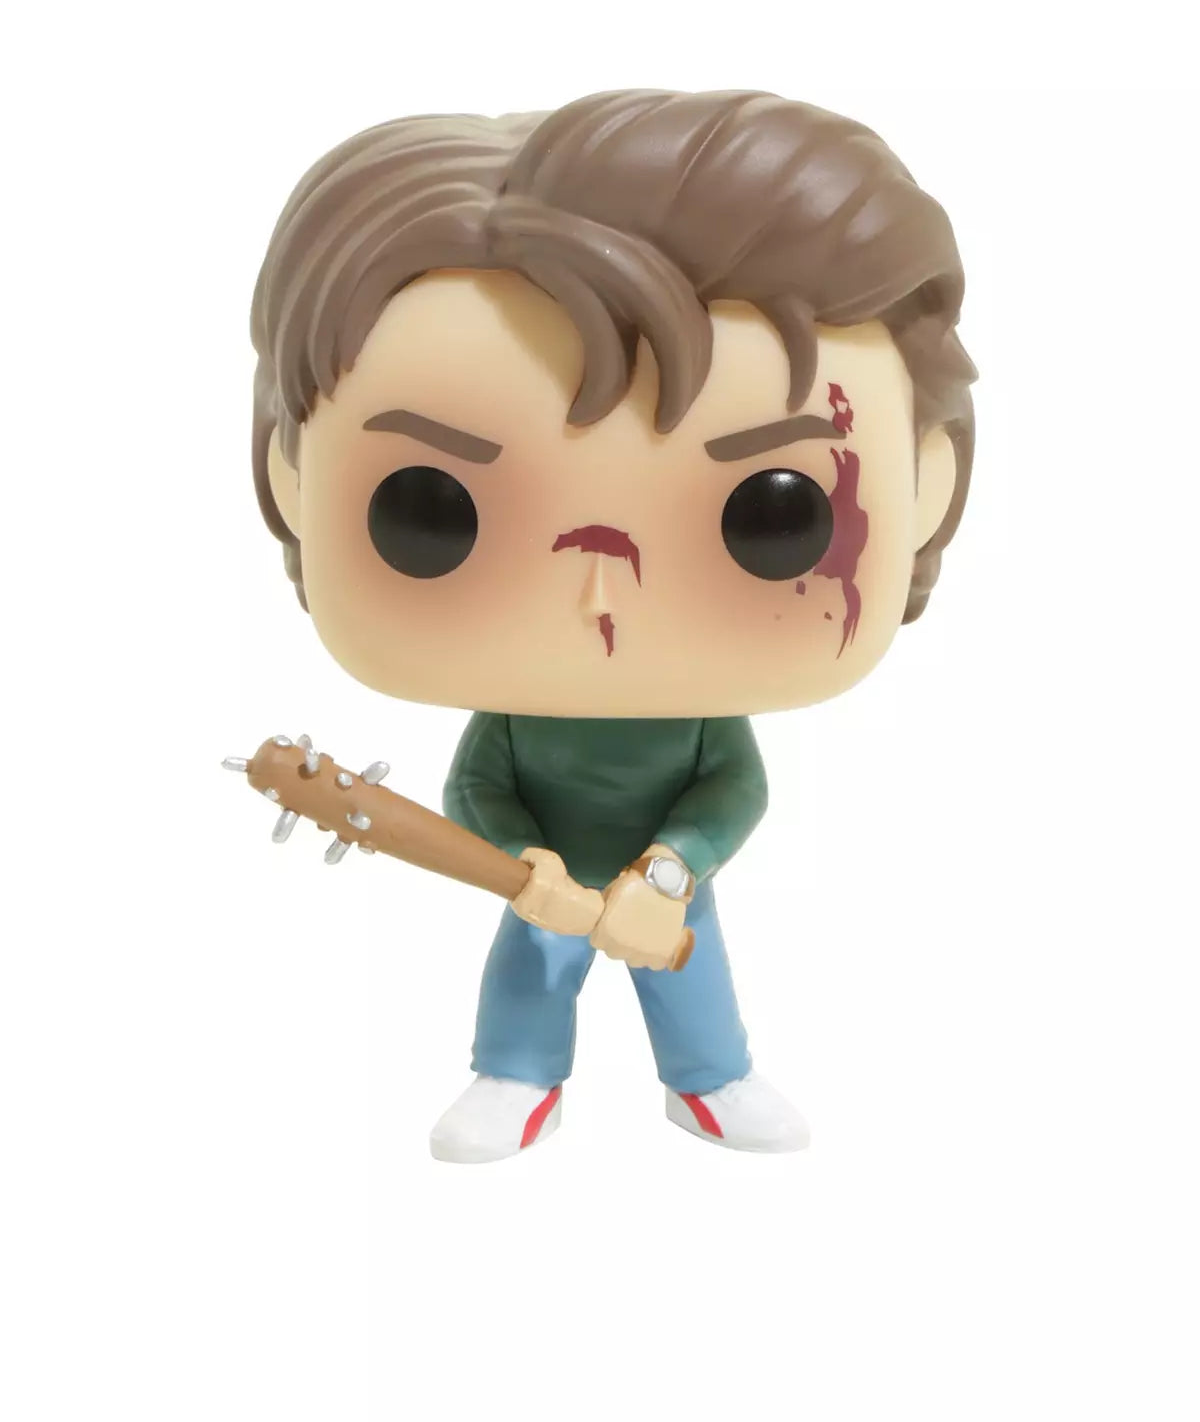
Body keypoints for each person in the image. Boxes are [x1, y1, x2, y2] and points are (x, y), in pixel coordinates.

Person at [250, 89, 976, 1162]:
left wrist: (674, 866)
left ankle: (709, 1077)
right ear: (293, 482)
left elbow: (734, 788)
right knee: (530, 967)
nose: (601, 596)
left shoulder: (698, 722)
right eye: (431, 511)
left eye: (773, 515)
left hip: (664, 880)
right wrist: (522, 861)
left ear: (927, 486)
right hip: (541, 876)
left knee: (691, 968)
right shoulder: (517, 722)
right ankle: (517, 1072)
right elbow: (477, 787)